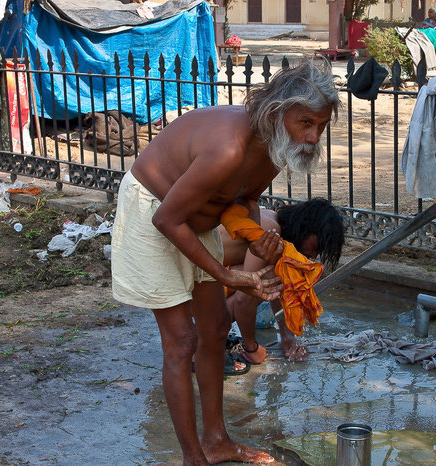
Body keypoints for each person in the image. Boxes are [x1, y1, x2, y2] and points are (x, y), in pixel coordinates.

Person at [110, 60, 339, 465]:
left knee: (215, 326)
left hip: (193, 222)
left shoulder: (273, 150)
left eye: (320, 126)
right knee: (182, 341)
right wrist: (228, 274)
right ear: (277, 110)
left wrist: (259, 240)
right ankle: (193, 456)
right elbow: (167, 219)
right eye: (305, 123)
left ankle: (216, 441)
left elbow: (243, 202)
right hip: (153, 210)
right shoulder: (229, 147)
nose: (312, 136)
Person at [220, 198, 345, 364]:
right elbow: (245, 298)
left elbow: (278, 289)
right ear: (306, 228)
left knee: (272, 278)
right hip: (191, 286)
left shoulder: (275, 228)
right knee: (266, 280)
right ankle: (205, 336)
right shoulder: (270, 231)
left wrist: (287, 338)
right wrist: (252, 348)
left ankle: (208, 332)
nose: (314, 256)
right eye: (316, 247)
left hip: (202, 281)